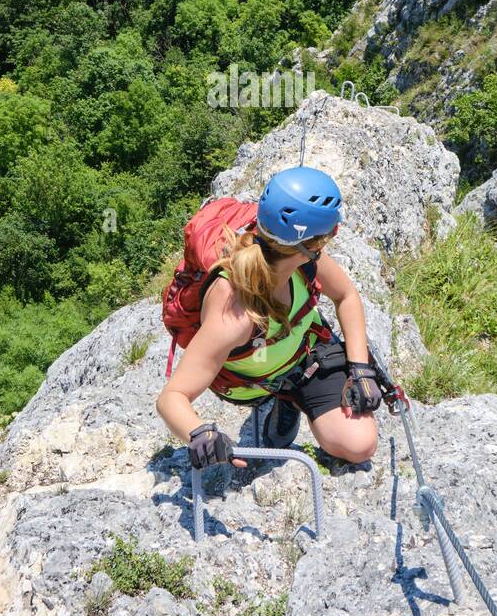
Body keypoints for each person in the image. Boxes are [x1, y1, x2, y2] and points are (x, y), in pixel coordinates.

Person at [156, 166, 382, 471]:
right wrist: (199, 434)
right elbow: (172, 397)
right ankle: (282, 396)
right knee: (356, 440)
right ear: (315, 244)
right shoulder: (233, 313)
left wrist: (360, 369)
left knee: (360, 444)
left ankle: (292, 396)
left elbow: (346, 296)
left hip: (304, 354)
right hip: (256, 378)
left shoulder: (300, 255)